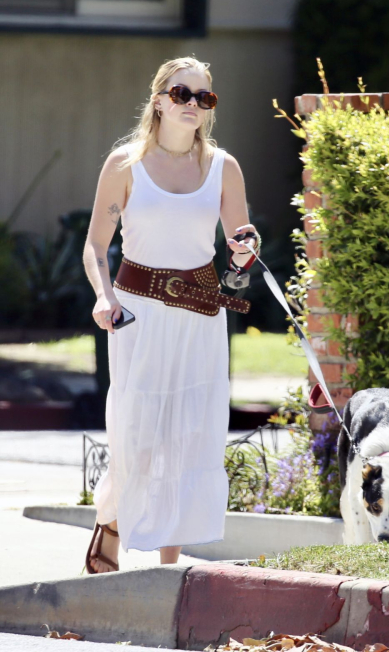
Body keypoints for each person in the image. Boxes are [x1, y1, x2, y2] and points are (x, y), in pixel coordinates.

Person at [82, 56, 260, 574]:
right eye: (182, 94)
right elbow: (96, 245)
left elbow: (238, 258)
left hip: (201, 315)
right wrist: (103, 296)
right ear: (158, 99)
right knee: (136, 436)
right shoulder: (125, 165)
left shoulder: (223, 168)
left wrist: (244, 254)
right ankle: (112, 521)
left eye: (204, 98)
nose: (192, 105)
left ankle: (167, 570)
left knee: (189, 437)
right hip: (137, 314)